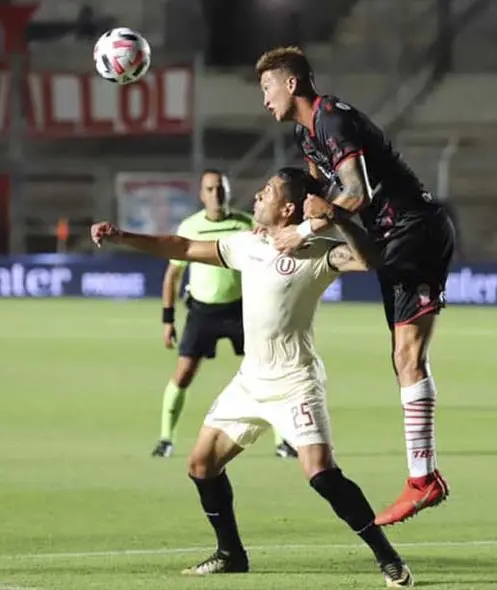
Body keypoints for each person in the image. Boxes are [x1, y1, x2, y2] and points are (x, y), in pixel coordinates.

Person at [91, 168, 414, 587]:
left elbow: (369, 259)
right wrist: (123, 236)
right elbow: (184, 245)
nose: (256, 198)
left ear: (288, 208)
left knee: (320, 473)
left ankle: (387, 557)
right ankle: (231, 554)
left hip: (295, 380)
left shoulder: (317, 249)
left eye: (266, 193)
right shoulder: (249, 244)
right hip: (250, 381)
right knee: (201, 464)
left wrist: (335, 217)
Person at [253, 46, 455, 526]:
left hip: (413, 228)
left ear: (293, 84)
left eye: (267, 88)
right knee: (405, 357)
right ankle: (423, 479)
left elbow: (355, 193)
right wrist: (278, 217)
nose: (264, 100)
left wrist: (300, 232)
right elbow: (324, 195)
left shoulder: (331, 121)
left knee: (400, 338)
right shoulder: (308, 133)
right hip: (394, 233)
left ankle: (423, 479)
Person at [152, 169, 298, 460]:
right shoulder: (190, 227)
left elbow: (277, 253)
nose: (216, 194)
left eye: (220, 187)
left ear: (228, 191)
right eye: (210, 188)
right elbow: (172, 275)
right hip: (202, 311)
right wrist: (168, 319)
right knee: (183, 374)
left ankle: (284, 442)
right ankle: (166, 439)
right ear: (201, 194)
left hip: (240, 309)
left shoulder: (247, 224)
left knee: (269, 371)